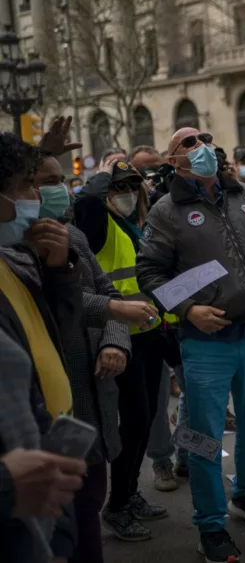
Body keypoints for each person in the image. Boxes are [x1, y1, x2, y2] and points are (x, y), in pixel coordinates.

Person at [137, 127, 245, 563]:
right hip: (206, 344)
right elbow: (149, 276)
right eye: (188, 143)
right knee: (204, 437)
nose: (200, 148)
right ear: (174, 162)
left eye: (203, 139)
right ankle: (210, 525)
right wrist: (188, 310)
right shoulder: (166, 212)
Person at [35, 147, 146, 559]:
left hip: (95, 392)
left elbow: (109, 292)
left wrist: (115, 340)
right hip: (55, 402)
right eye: (46, 182)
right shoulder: (16, 251)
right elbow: (59, 301)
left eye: (58, 179)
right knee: (63, 519)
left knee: (89, 503)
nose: (58, 189)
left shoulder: (74, 237)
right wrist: (114, 311)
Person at [0, 131, 86, 563]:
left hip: (47, 464)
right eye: (26, 186)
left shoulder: (14, 258)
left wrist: (59, 273)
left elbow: (57, 339)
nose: (38, 196)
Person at [73, 154, 168, 541]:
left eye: (133, 186)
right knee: (130, 421)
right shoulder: (96, 223)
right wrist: (99, 177)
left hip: (148, 333)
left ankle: (128, 494)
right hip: (115, 333)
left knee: (142, 421)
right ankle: (116, 504)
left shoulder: (137, 225)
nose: (127, 193)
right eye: (119, 187)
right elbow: (87, 203)